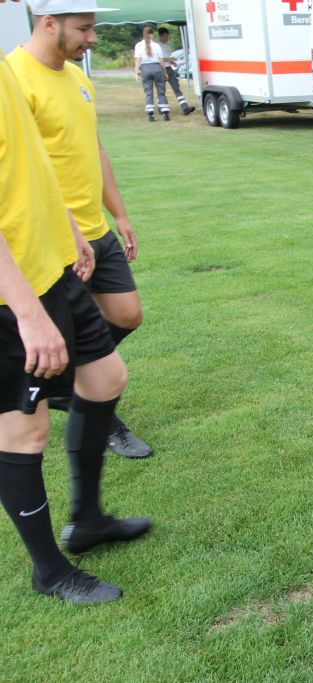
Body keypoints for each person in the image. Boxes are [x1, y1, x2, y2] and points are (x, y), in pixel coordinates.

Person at [0, 0, 151, 605]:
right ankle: (49, 570)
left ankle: (87, 519)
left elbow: (30, 163)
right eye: (84, 26)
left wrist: (67, 225)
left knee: (106, 377)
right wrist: (28, 313)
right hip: (13, 289)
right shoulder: (18, 70)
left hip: (52, 259)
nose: (90, 36)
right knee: (23, 431)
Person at [9, 2, 154, 458]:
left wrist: (120, 214)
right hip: (53, 237)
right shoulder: (14, 79)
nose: (92, 38)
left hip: (94, 228)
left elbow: (94, 148)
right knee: (76, 338)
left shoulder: (79, 79)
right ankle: (100, 416)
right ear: (48, 23)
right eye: (84, 29)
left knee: (127, 315)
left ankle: (70, 386)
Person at [156, 27, 194, 116]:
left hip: (169, 68)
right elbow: (159, 59)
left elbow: (168, 56)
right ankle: (161, 107)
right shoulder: (157, 46)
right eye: (165, 36)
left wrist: (172, 62)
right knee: (161, 89)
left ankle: (185, 107)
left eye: (167, 36)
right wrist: (170, 59)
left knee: (176, 87)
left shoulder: (168, 44)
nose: (167, 38)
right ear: (161, 36)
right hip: (160, 69)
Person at [133, 25, 169, 121]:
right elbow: (161, 60)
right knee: (161, 91)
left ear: (143, 34)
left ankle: (150, 114)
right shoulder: (157, 46)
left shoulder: (138, 45)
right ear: (152, 34)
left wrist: (136, 72)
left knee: (148, 92)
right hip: (157, 68)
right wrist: (165, 72)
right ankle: (165, 112)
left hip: (145, 69)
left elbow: (137, 60)